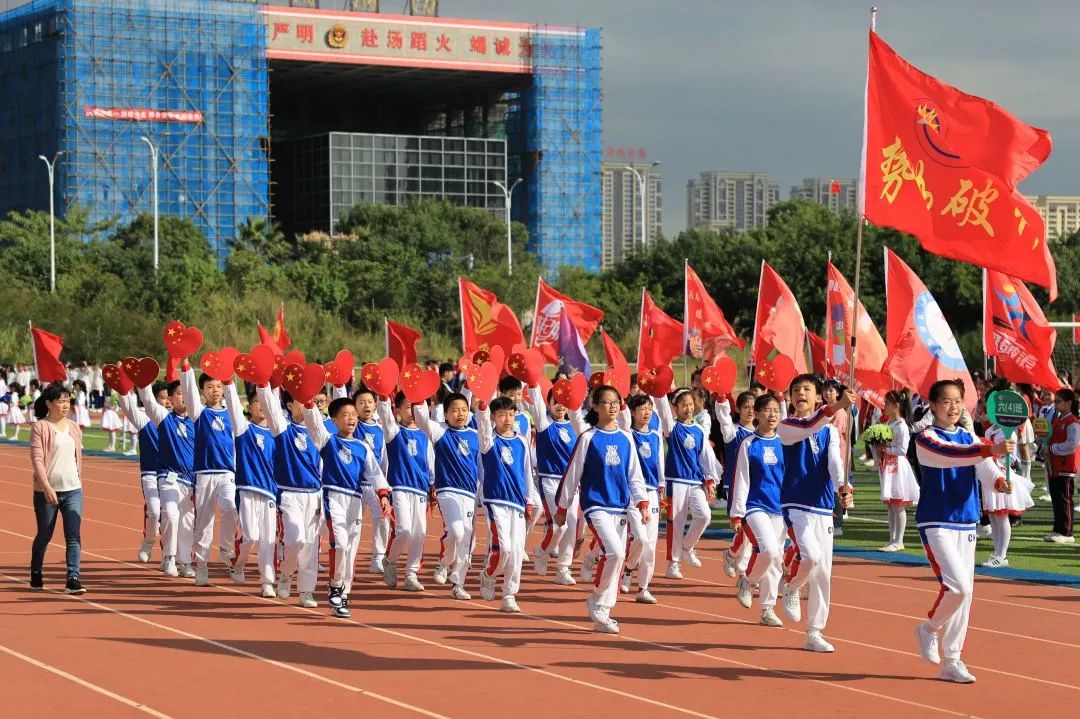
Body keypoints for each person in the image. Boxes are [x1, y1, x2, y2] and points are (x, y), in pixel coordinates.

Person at [913, 379, 1013, 684]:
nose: (953, 407)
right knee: (959, 588)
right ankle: (929, 628)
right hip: (937, 520)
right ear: (933, 405)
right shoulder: (925, 438)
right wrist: (990, 448)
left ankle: (952, 659)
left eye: (958, 401)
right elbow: (951, 456)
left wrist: (999, 481)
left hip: (966, 519)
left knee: (966, 596)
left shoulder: (970, 436)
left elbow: (982, 467)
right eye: (946, 401)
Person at [555, 385, 648, 633]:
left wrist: (642, 503)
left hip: (620, 506)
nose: (613, 406)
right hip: (595, 505)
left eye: (616, 401)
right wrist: (563, 507)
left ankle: (604, 610)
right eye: (607, 402)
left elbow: (635, 475)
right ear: (595, 406)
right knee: (616, 553)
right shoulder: (588, 438)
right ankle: (597, 596)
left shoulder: (627, 437)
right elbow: (572, 474)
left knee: (618, 558)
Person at [775, 375, 856, 652]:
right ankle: (792, 585)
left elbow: (834, 462)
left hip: (822, 506)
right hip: (796, 503)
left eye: (807, 390)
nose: (801, 394)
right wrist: (837, 407)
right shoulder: (787, 427)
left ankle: (814, 631)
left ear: (818, 396)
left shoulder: (830, 431)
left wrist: (843, 486)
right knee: (810, 556)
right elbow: (809, 425)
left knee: (823, 572)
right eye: (796, 390)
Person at [305, 397, 392, 617]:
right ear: (334, 420)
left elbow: (374, 473)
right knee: (340, 545)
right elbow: (314, 424)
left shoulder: (363, 447)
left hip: (355, 499)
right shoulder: (327, 441)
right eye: (345, 415)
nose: (351, 418)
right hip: (334, 497)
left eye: (353, 414)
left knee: (351, 550)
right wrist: (309, 404)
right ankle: (335, 587)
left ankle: (343, 595)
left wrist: (383, 495)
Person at [256, 383, 323, 608]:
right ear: (290, 405)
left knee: (311, 546)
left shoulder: (320, 431)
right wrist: (263, 384)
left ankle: (306, 591)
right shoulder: (283, 429)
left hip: (314, 495)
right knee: (296, 539)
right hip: (290, 494)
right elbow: (269, 406)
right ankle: (285, 572)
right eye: (300, 401)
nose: (306, 406)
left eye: (308, 401)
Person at [413, 392, 481, 600]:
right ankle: (443, 563)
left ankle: (458, 584)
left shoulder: (475, 435)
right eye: (454, 410)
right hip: (448, 490)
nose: (459, 414)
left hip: (470, 493)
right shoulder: (440, 432)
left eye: (463, 409)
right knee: (456, 531)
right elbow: (422, 420)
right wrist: (418, 398)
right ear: (445, 414)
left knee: (468, 537)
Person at [476, 395, 540, 613]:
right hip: (495, 500)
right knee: (503, 548)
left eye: (511, 414)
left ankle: (509, 594)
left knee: (516, 551)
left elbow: (527, 472)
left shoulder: (522, 440)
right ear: (494, 417)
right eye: (502, 414)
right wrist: (482, 408)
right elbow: (483, 427)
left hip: (517, 503)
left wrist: (529, 499)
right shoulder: (488, 441)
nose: (507, 419)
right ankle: (488, 575)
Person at [180, 363, 239, 586]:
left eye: (218, 386)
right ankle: (202, 565)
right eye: (209, 387)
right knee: (203, 522)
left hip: (227, 473)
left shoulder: (233, 415)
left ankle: (225, 547)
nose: (215, 390)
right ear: (203, 391)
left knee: (231, 508)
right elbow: (188, 390)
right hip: (204, 473)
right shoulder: (199, 414)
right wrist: (185, 366)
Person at [729, 394, 786, 627]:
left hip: (780, 508)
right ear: (758, 414)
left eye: (776, 411)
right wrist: (737, 512)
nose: (772, 415)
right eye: (767, 411)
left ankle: (767, 608)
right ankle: (748, 580)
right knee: (769, 550)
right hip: (755, 507)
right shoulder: (748, 444)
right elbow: (741, 479)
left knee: (775, 560)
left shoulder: (785, 443)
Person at [654, 387, 721, 579]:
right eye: (683, 405)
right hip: (676, 481)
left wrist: (710, 479)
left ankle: (687, 547)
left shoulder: (699, 430)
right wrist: (659, 388)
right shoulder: (672, 428)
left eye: (690, 404)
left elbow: (706, 457)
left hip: (695, 481)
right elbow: (663, 410)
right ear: (675, 408)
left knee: (704, 516)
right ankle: (673, 564)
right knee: (676, 522)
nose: (688, 408)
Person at [223, 383, 278, 598]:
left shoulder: (277, 433)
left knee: (268, 539)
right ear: (250, 406)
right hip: (247, 489)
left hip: (270, 493)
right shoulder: (243, 428)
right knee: (251, 536)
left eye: (265, 403)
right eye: (257, 402)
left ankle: (267, 582)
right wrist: (229, 383)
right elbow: (234, 407)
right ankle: (238, 562)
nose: (262, 406)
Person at [29, 384, 86, 594]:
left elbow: (76, 457)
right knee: (44, 535)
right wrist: (46, 487)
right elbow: (37, 459)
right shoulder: (40, 427)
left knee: (74, 535)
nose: (65, 405)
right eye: (61, 401)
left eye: (68, 401)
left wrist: (78, 479)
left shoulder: (73, 426)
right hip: (46, 492)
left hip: (73, 489)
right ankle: (36, 572)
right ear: (49, 404)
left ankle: (73, 578)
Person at [377, 391, 436, 592]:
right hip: (399, 486)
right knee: (404, 530)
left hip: (420, 489)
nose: (412, 412)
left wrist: (432, 485)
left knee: (420, 532)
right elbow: (384, 415)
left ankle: (411, 574)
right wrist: (383, 396)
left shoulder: (426, 435)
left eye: (416, 407)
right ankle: (390, 561)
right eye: (407, 407)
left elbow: (430, 464)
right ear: (398, 410)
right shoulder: (394, 432)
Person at [137, 380, 196, 578]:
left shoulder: (197, 420)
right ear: (171, 399)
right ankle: (169, 556)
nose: (183, 397)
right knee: (171, 514)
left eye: (186, 393)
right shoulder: (164, 418)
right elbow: (147, 400)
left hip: (191, 480)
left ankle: (186, 560)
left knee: (188, 522)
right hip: (168, 477)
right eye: (179, 394)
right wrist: (142, 380)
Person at [526, 381, 581, 586]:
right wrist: (532, 384)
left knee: (572, 526)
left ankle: (563, 568)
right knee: (559, 526)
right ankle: (542, 551)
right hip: (549, 480)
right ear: (548, 404)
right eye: (555, 401)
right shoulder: (544, 424)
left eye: (563, 402)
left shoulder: (575, 426)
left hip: (571, 483)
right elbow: (537, 404)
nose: (560, 406)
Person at [620, 392, 663, 604]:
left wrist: (662, 487)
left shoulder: (655, 435)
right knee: (640, 538)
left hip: (653, 492)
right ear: (633, 412)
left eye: (649, 408)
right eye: (642, 408)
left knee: (651, 544)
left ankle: (643, 587)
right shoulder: (627, 434)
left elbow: (659, 463)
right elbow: (622, 418)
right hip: (632, 493)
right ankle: (628, 568)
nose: (646, 412)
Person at [119, 384, 168, 564]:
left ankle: (167, 556)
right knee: (155, 512)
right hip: (151, 473)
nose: (167, 402)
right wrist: (122, 389)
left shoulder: (177, 421)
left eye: (169, 398)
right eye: (163, 398)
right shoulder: (144, 421)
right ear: (153, 400)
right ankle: (148, 541)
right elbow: (128, 408)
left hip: (173, 476)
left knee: (169, 516)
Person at [981, 421, 1035, 567]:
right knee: (992, 515)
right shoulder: (990, 430)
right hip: (990, 475)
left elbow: (1011, 457)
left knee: (1001, 515)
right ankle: (997, 553)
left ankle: (1002, 555)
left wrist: (996, 459)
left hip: (1002, 473)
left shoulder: (1009, 431)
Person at [716, 391, 757, 579]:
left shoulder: (760, 434)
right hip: (737, 487)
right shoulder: (732, 432)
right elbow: (724, 419)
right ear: (738, 409)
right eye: (746, 406)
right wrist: (722, 399)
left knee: (752, 530)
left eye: (753, 406)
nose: (750, 410)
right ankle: (740, 564)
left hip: (757, 489)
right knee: (746, 528)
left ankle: (734, 557)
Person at [874, 390, 920, 551]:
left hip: (898, 467)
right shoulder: (888, 424)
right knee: (890, 504)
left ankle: (899, 540)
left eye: (887, 403)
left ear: (896, 406)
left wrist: (885, 448)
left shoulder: (901, 426)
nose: (884, 406)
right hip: (887, 466)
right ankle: (892, 538)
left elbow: (902, 449)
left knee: (898, 504)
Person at [352, 386, 390, 574]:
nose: (366, 405)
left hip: (374, 485)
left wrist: (382, 485)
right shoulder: (353, 425)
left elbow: (383, 459)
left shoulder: (380, 429)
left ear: (375, 405)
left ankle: (378, 558)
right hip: (355, 486)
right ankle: (350, 559)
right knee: (353, 523)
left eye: (369, 402)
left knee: (383, 519)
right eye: (361, 402)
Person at [1046, 388, 1079, 544]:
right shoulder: (1058, 420)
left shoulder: (1073, 422)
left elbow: (1072, 444)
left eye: (1058, 401)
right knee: (1056, 499)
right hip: (1055, 466)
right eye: (1055, 401)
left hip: (1066, 467)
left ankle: (1067, 532)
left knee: (1064, 499)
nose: (1056, 404)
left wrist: (1052, 449)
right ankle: (1058, 529)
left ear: (1069, 403)